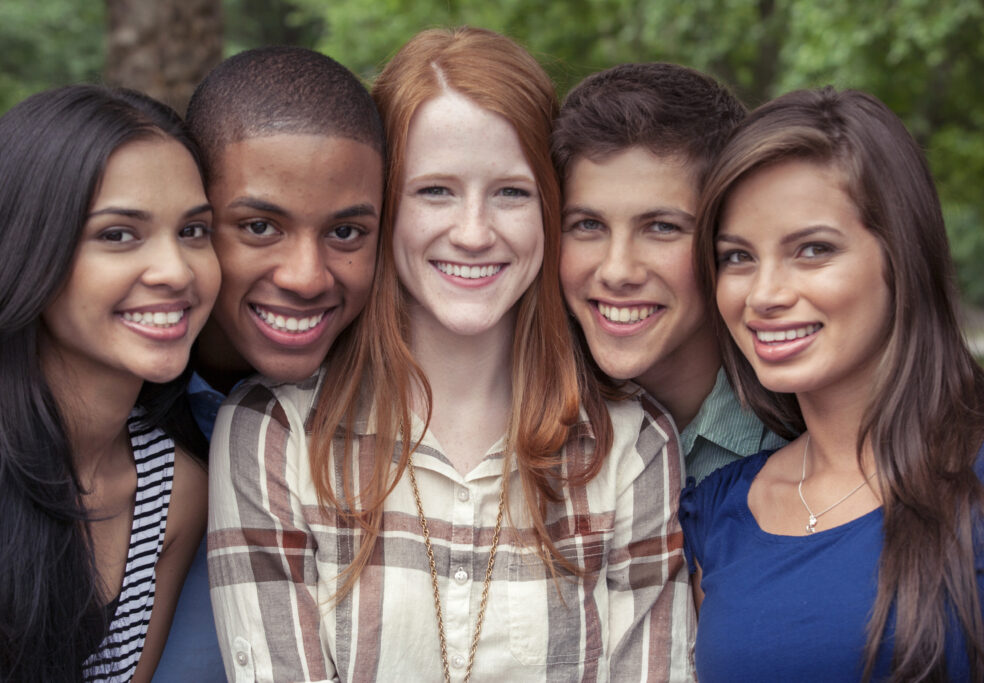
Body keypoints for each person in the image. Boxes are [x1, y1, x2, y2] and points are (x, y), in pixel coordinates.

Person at [209, 27, 692, 681]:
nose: (473, 232)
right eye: (434, 190)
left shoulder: (631, 444)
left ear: (550, 208)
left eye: (511, 192)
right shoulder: (275, 432)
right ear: (384, 206)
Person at [682, 87, 984, 680]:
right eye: (737, 257)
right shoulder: (718, 512)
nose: (765, 294)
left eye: (813, 250)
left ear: (901, 257)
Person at [0, 85, 219, 682]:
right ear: (26, 250)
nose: (176, 271)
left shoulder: (174, 490)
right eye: (118, 235)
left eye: (193, 231)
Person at [152, 48, 385, 681]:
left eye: (346, 234)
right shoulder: (111, 405)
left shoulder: (407, 421)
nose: (306, 278)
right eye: (260, 226)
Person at [552, 63, 788, 484]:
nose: (618, 271)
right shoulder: (520, 418)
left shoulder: (803, 433)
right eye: (588, 225)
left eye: (661, 227)